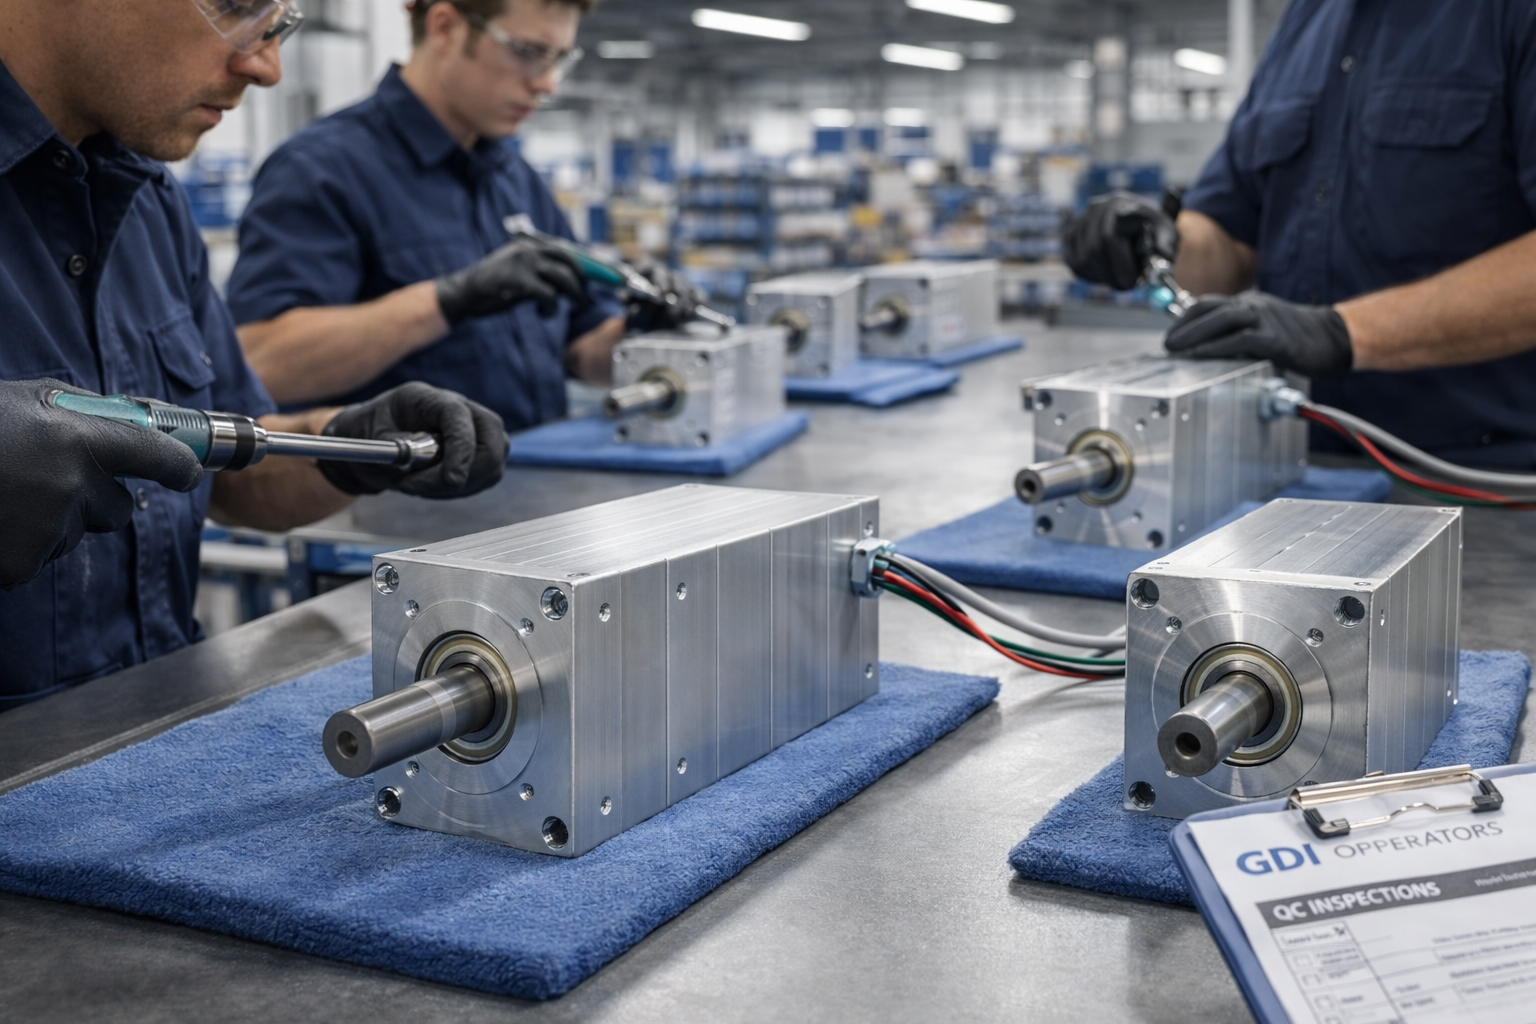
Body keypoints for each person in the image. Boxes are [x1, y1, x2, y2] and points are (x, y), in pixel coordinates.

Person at [0, 0, 508, 710]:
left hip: (146, 733)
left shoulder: (147, 203)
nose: (266, 65)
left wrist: (347, 445)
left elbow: (227, 474)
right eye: (235, 6)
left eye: (280, 22)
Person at [1063, 1, 1536, 467]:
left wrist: (1345, 333)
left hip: (1481, 474)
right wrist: (1147, 245)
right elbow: (1227, 237)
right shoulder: (1305, 21)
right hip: (1290, 457)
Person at [226, 0, 700, 430]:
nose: (547, 83)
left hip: (539, 491)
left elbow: (582, 351)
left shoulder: (517, 178)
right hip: (402, 512)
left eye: (559, 59)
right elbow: (264, 362)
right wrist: (451, 300)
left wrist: (638, 328)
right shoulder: (323, 171)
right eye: (529, 51)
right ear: (446, 27)